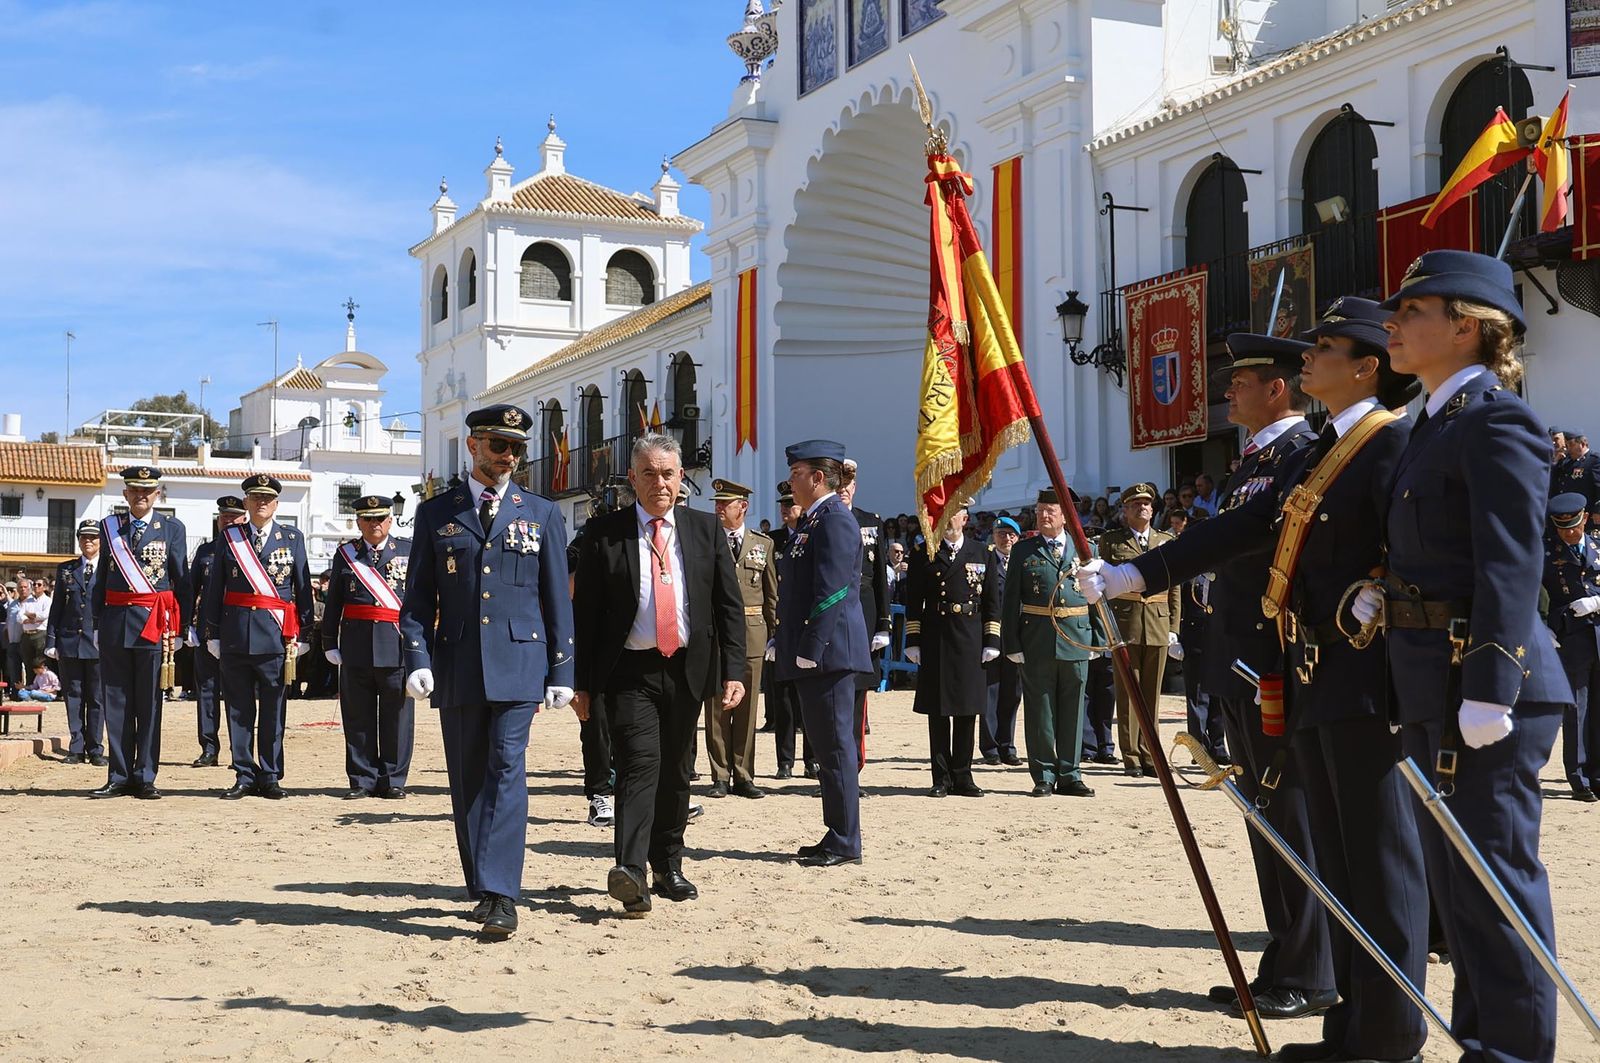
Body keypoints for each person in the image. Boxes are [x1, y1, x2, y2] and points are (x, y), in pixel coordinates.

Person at [1084, 296, 1429, 1049]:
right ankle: (1352, 1024)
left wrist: (1391, 589)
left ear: (1367, 366)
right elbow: (1241, 527)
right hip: (1310, 674)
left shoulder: (1392, 443)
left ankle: (1393, 1032)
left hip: (1367, 677)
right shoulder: (1316, 452)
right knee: (1336, 860)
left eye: (1326, 346)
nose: (1308, 357)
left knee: (1381, 861)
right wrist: (1134, 575)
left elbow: (1427, 540)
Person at [1344, 250, 1574, 1061]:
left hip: (1481, 685)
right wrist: (1385, 589)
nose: (1394, 322)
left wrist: (1491, 682)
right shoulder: (1433, 422)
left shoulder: (1497, 419)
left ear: (1467, 327)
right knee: (1459, 892)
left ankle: (1514, 1052)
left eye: (1412, 309)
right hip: (1429, 681)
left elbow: (1511, 561)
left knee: (1494, 888)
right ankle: (1487, 1045)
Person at [1093, 332, 1332, 1017]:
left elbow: (1243, 539)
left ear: (1278, 388)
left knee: (1290, 820)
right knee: (1266, 821)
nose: (1230, 392)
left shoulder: (1299, 457)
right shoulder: (1250, 462)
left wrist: (1138, 575)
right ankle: (1285, 959)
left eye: (1243, 381)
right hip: (1233, 662)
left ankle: (1310, 971)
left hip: (1271, 665)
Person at [400, 403, 575, 939]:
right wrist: (418, 658)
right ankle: (481, 882)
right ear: (474, 444)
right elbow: (415, 600)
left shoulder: (541, 512)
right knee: (467, 777)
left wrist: (562, 670)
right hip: (456, 663)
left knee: (506, 767)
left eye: (517, 448)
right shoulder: (437, 513)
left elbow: (555, 600)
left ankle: (502, 893)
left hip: (521, 662)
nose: (509, 456)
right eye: (499, 445)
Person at [572, 434, 745, 915]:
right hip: (629, 670)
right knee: (639, 763)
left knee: (677, 769)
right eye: (649, 473)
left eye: (668, 473)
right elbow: (584, 615)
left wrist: (734, 669)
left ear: (681, 476)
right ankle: (630, 869)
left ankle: (668, 864)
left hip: (687, 667)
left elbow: (727, 607)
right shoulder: (604, 533)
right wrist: (581, 683)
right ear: (633, 478)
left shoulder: (704, 529)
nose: (659, 483)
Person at [776, 439, 871, 866]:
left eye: (796, 474)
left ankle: (846, 839)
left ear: (817, 478)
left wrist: (810, 648)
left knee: (835, 751)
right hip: (814, 653)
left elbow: (831, 592)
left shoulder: (834, 520)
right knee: (827, 749)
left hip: (828, 655)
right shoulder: (815, 520)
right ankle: (836, 832)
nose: (790, 481)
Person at [204, 474, 313, 801]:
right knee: (237, 710)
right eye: (255, 497)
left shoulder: (291, 538)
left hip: (275, 638)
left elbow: (302, 586)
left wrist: (304, 632)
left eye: (267, 498)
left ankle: (270, 774)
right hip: (236, 634)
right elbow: (215, 588)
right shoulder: (230, 537)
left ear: (276, 504)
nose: (261, 503)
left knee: (273, 710)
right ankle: (244, 773)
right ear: (247, 503)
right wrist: (213, 632)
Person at [92, 467, 190, 799]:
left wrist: (181, 627)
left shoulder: (172, 529)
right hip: (115, 622)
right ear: (125, 495)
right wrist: (95, 623)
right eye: (134, 491)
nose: (140, 497)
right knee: (116, 702)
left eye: (147, 491)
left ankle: (145, 774)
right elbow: (100, 580)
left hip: (153, 623)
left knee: (149, 703)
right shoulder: (110, 528)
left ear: (157, 494)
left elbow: (182, 581)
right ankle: (118, 774)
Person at [1001, 487, 1099, 797]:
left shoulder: (1086, 549)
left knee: (1073, 709)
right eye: (1041, 509)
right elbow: (1011, 600)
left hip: (1077, 636)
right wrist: (1012, 643)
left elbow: (1097, 598)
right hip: (1037, 638)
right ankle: (1043, 773)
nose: (1044, 515)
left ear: (1066, 517)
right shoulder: (1024, 551)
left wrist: (1096, 639)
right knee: (1040, 709)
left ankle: (1070, 774)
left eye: (1051, 511)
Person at [903, 502, 999, 797]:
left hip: (970, 636)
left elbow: (992, 602)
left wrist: (992, 640)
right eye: (943, 515)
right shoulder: (925, 554)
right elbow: (913, 602)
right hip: (937, 636)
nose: (948, 520)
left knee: (968, 709)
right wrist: (913, 640)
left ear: (965, 519)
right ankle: (941, 777)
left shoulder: (982, 552)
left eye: (954, 514)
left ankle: (964, 776)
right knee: (940, 710)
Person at [323, 493, 414, 800]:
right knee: (358, 717)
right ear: (358, 522)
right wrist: (328, 641)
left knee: (397, 719)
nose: (374, 524)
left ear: (390, 520)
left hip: (396, 646)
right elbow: (334, 599)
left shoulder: (408, 551)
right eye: (367, 519)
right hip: (356, 646)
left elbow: (420, 603)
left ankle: (393, 779)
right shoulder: (346, 554)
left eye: (380, 519)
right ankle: (362, 778)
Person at [1094, 483, 1180, 778]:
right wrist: (1104, 627)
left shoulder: (1165, 540)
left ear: (1153, 510)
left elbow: (1174, 586)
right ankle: (1131, 756)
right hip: (1125, 623)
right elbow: (1101, 586)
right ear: (1125, 510)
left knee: (1152, 696)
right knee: (1128, 693)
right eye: (1135, 504)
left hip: (1157, 622)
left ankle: (1150, 754)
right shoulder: (1111, 541)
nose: (1142, 507)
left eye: (1146, 504)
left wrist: (1173, 627)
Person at [703, 478, 775, 800]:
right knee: (717, 707)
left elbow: (771, 595)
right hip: (718, 634)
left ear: (742, 507)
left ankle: (744, 774)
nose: (718, 508)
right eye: (716, 503)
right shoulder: (706, 540)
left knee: (747, 710)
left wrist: (775, 636)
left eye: (724, 503)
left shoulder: (763, 545)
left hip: (752, 634)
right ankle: (719, 774)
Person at [1542, 492, 1600, 803]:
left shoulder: (1597, 546)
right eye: (1562, 528)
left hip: (1599, 634)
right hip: (1571, 637)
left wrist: (1597, 601)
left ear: (1585, 519)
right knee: (1577, 708)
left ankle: (1598, 772)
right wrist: (1544, 630)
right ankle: (1579, 777)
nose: (1569, 533)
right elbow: (1533, 598)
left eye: (1574, 526)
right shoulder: (1546, 554)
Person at [840, 459, 890, 769]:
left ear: (855, 488)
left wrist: (883, 623)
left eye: (849, 486)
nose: (844, 491)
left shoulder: (871, 522)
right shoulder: (818, 519)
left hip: (864, 616)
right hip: (832, 615)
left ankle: (853, 766)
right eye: (840, 486)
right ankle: (830, 767)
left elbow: (881, 579)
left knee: (858, 696)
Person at [189, 496, 245, 767]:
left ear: (243, 519)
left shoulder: (250, 552)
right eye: (224, 516)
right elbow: (191, 590)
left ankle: (240, 751)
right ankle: (209, 748)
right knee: (207, 691)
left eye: (234, 516)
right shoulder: (206, 552)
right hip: (208, 630)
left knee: (237, 693)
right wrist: (187, 624)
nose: (229, 520)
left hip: (238, 631)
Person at [45, 520, 104, 765]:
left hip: (98, 644)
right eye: (83, 537)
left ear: (101, 541)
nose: (88, 541)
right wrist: (51, 639)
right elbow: (57, 606)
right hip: (70, 642)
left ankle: (96, 749)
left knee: (97, 698)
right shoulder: (66, 570)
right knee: (73, 696)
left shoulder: (109, 570)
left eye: (92, 537)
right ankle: (76, 747)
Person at [765, 481, 805, 778]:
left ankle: (812, 760)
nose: (784, 509)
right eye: (782, 504)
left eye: (789, 504)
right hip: (779, 626)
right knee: (783, 699)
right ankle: (785, 761)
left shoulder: (812, 535)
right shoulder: (771, 541)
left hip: (805, 624)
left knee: (810, 697)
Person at [980, 517, 1023, 766]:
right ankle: (990, 747)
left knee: (1012, 693)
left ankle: (1008, 745)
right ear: (993, 536)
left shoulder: (1021, 563)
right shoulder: (986, 562)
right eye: (1001, 534)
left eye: (1010, 535)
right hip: (991, 636)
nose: (1006, 539)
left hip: (1015, 637)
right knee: (990, 693)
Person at [1563, 430, 1600, 526]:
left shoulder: (1594, 461)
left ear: (1582, 444)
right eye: (1566, 446)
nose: (1568, 449)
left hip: (1589, 514)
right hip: (1571, 513)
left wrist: (1598, 510)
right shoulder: (1567, 463)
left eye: (1571, 445)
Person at [19, 577, 51, 678]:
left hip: (40, 634)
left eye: (39, 584)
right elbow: (19, 616)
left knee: (39, 663)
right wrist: (31, 619)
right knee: (27, 663)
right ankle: (29, 687)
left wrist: (29, 614)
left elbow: (44, 615)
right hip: (26, 634)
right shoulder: (27, 600)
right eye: (34, 584)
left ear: (45, 587)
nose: (36, 586)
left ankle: (41, 688)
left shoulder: (47, 601)